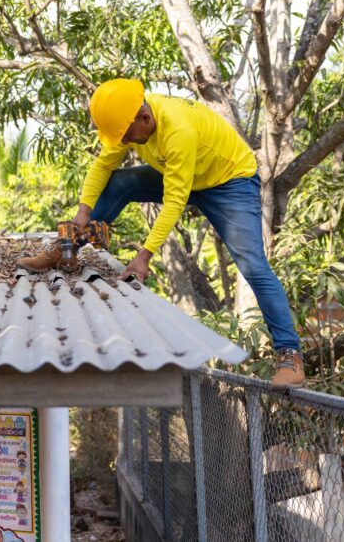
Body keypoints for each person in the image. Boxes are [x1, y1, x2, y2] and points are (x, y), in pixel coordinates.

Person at [18, 78, 304, 388]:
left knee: (253, 266)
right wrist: (83, 212)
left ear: (145, 118)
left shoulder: (177, 131)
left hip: (229, 183)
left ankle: (290, 356)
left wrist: (144, 256)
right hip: (184, 174)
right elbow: (103, 166)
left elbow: (174, 201)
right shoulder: (130, 116)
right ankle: (66, 248)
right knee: (119, 182)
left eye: (127, 135)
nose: (125, 140)